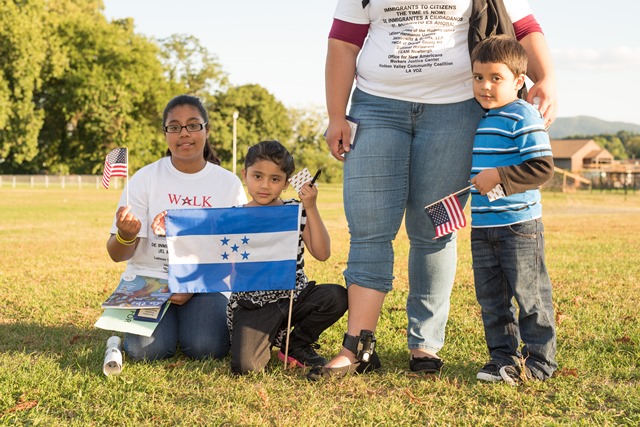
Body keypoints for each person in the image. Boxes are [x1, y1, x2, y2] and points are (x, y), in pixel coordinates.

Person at [315, 0, 557, 378]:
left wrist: (548, 78)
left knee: (434, 228)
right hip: (378, 107)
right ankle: (357, 347)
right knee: (369, 227)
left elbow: (524, 27)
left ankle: (424, 345)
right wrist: (335, 115)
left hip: (456, 109)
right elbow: (343, 42)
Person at [106, 94, 247, 361]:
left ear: (207, 129)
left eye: (193, 125)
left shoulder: (227, 184)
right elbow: (116, 254)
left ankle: (188, 324)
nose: (184, 134)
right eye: (174, 126)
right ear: (165, 133)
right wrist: (126, 236)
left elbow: (235, 254)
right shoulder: (145, 178)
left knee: (208, 348)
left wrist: (191, 287)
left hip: (206, 284)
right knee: (145, 351)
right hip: (151, 281)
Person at [469, 35, 557, 385]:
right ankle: (502, 359)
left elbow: (542, 168)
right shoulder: (485, 118)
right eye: (478, 77)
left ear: (519, 81)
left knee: (530, 297)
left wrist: (498, 175)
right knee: (492, 301)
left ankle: (539, 363)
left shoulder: (523, 114)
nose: (485, 86)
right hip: (482, 227)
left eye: (495, 78)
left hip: (519, 226)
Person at [227, 140, 348, 375]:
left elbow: (322, 253)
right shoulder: (235, 217)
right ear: (245, 174)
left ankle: (296, 344)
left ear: (285, 182)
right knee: (246, 367)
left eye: (275, 179)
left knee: (335, 296)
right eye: (257, 176)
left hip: (294, 296)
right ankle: (267, 335)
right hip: (254, 304)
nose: (265, 185)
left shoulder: (295, 211)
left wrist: (310, 207)